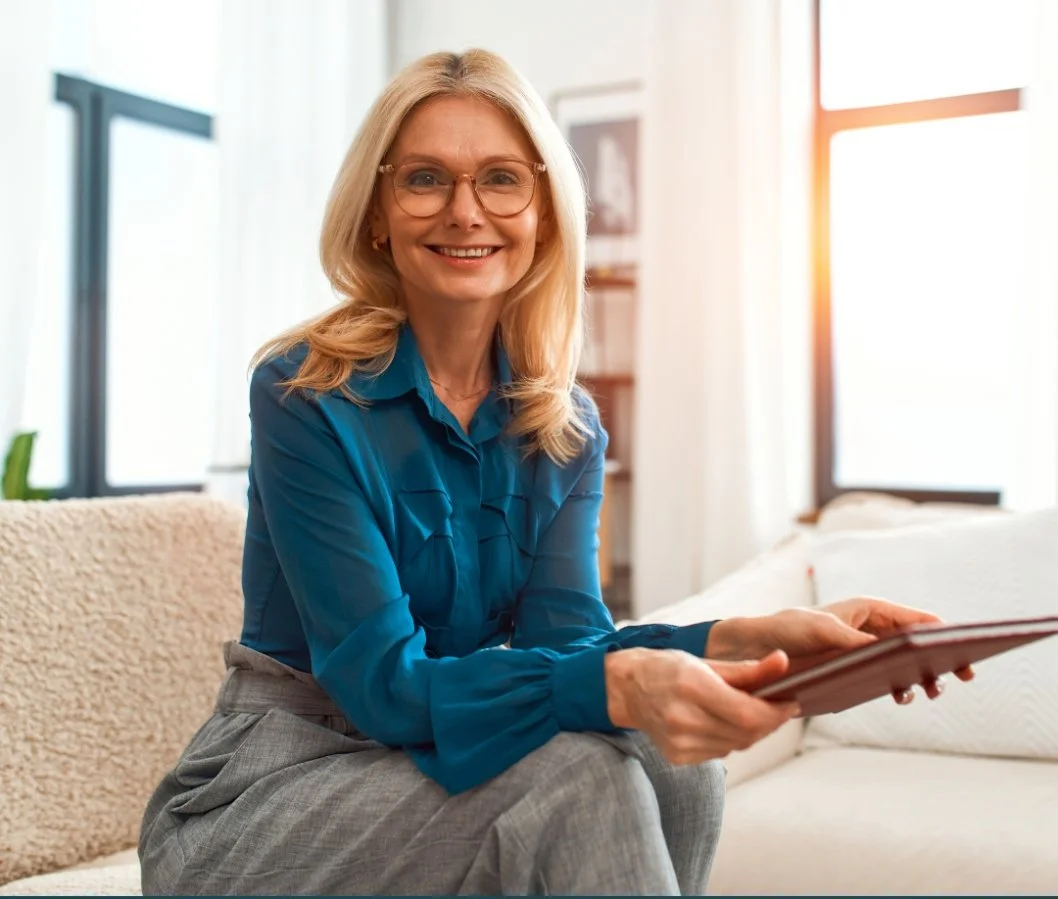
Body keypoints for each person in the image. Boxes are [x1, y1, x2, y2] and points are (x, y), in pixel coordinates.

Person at [139, 49, 970, 896]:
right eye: (426, 178)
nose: (466, 212)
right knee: (583, 778)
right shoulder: (303, 392)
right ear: (378, 212)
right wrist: (621, 681)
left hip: (424, 765)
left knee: (674, 765)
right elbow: (385, 688)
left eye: (502, 179)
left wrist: (752, 636)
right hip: (274, 792)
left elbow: (566, 651)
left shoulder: (564, 429)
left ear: (542, 214)